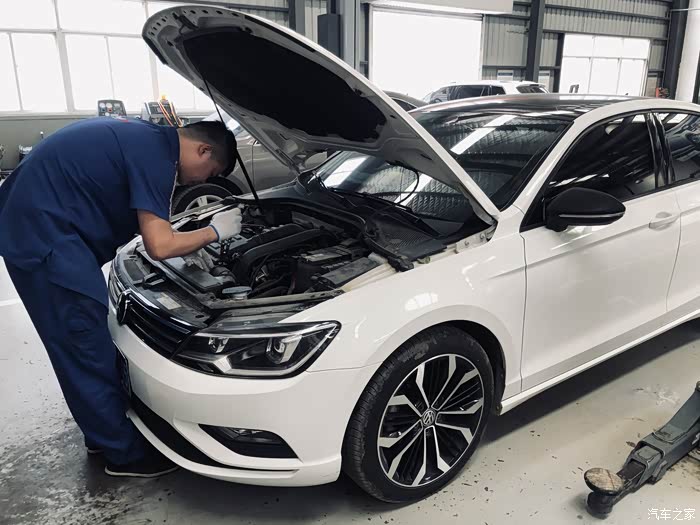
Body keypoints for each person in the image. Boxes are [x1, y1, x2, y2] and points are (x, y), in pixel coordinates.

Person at [0, 118, 242, 477]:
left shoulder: (145, 139)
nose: (203, 182)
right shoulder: (158, 158)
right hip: (48, 246)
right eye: (211, 172)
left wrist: (186, 240)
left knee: (86, 347)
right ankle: (124, 456)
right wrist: (212, 232)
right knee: (85, 348)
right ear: (203, 150)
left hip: (39, 230)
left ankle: (102, 434)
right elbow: (159, 246)